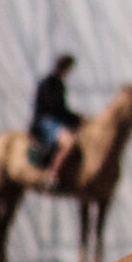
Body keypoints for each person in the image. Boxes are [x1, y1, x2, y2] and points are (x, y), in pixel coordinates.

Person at [31, 54, 83, 185]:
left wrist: (78, 119)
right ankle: (53, 174)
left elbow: (62, 109)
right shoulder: (48, 83)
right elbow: (55, 108)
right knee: (69, 142)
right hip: (46, 121)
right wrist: (74, 118)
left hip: (57, 121)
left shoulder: (60, 85)